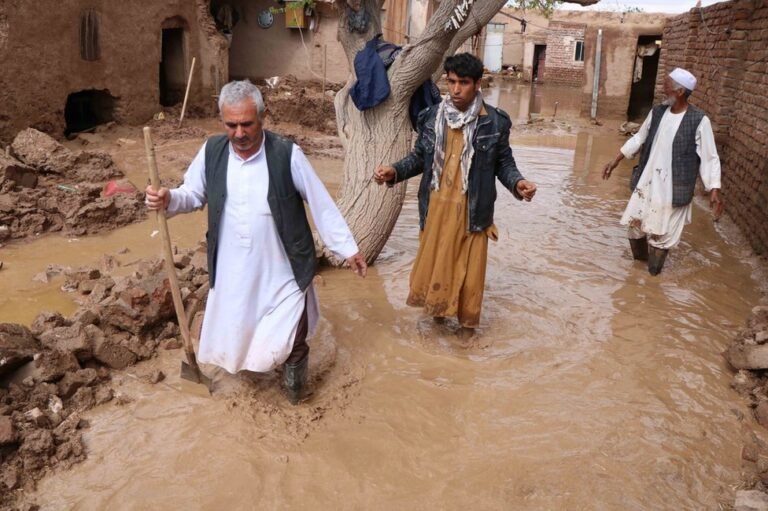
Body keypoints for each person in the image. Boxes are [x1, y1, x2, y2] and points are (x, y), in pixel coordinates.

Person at [145, 80, 367, 404]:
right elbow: (192, 194)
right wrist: (167, 199)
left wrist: (347, 248)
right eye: (230, 124)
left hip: (284, 268)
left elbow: (320, 203)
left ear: (262, 117)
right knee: (243, 331)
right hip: (235, 269)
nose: (238, 133)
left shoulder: (286, 154)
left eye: (246, 124)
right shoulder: (212, 152)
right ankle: (257, 376)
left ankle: (297, 398)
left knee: (294, 335)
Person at [372, 53, 537, 335]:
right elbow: (419, 158)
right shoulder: (432, 117)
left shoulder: (494, 122)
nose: (456, 89)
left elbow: (503, 164)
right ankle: (437, 326)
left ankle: (466, 333)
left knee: (470, 280)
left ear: (477, 84)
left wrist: (518, 183)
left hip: (473, 213)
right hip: (436, 209)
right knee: (439, 270)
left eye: (463, 83)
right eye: (451, 82)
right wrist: (395, 172)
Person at [602, 67, 724, 276]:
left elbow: (709, 156)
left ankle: (652, 277)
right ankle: (636, 275)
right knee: (634, 228)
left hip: (674, 189)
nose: (662, 89)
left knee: (662, 238)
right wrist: (615, 160)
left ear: (679, 92)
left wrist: (714, 189)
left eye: (667, 86)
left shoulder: (699, 120)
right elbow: (639, 138)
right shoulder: (657, 112)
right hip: (647, 183)